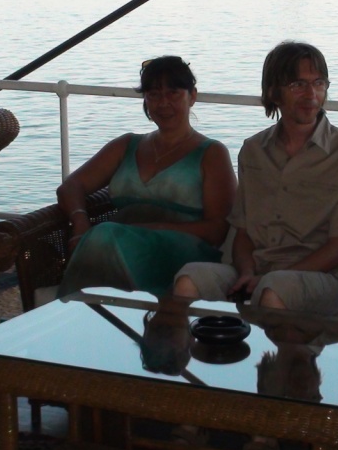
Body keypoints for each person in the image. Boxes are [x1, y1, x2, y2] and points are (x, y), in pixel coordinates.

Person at [173, 41, 338, 317]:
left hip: (323, 278)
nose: (311, 94)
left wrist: (269, 278)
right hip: (257, 269)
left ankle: (283, 359)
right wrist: (246, 272)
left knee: (274, 290)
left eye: (318, 83)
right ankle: (198, 358)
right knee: (188, 279)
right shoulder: (253, 150)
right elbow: (243, 233)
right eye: (297, 85)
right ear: (273, 92)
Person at [56, 56, 235, 298]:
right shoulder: (127, 145)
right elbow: (71, 186)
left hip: (181, 249)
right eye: (154, 95)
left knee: (104, 236)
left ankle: (72, 311)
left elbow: (218, 229)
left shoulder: (212, 153)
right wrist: (80, 222)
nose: (163, 103)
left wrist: (148, 229)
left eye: (173, 93)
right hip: (118, 242)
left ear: (192, 96)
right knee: (103, 238)